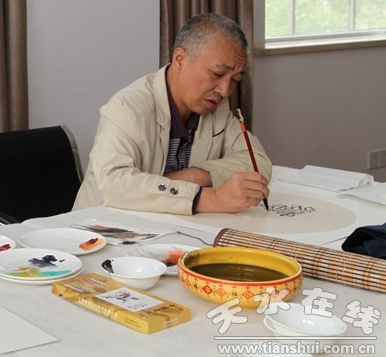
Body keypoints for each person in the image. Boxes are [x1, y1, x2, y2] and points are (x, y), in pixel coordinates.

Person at [73, 13, 271, 215]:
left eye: (235, 80)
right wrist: (210, 198)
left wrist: (196, 175)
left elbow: (259, 163)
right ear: (180, 59)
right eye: (217, 74)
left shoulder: (217, 107)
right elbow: (113, 184)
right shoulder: (126, 108)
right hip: (99, 226)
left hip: (165, 224)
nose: (225, 90)